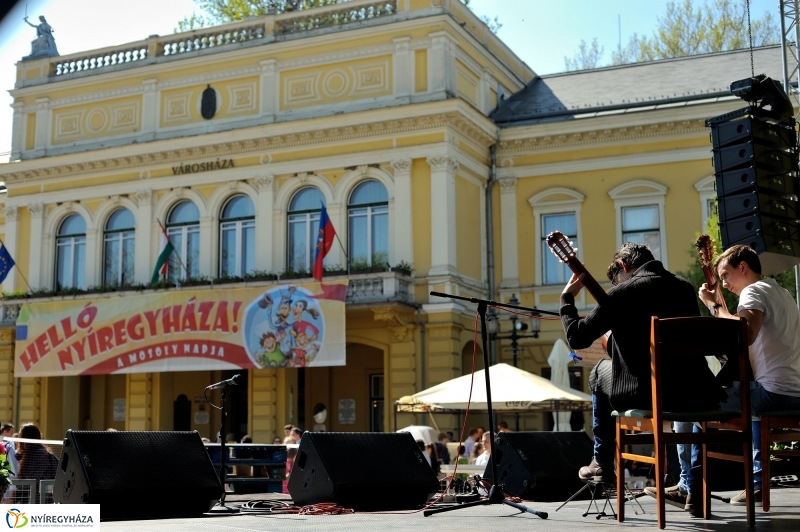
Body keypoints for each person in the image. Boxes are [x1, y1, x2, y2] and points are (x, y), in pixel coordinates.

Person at [560, 242, 720, 514]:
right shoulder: (684, 287)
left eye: (616, 279)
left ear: (623, 266)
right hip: (694, 394)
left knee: (599, 370)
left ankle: (602, 460)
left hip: (647, 393)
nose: (616, 284)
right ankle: (694, 489)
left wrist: (567, 299)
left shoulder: (624, 292)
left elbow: (576, 337)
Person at [696, 244, 800, 506]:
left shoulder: (752, 291)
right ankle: (756, 485)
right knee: (748, 399)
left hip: (770, 395)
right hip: (794, 395)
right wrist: (723, 311)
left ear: (742, 267)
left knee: (691, 403)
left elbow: (745, 334)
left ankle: (690, 487)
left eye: (726, 275)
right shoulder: (783, 293)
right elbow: (747, 327)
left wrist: (713, 307)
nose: (725, 283)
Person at [13, 423, 58, 504]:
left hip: (39, 501)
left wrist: (15, 486)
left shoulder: (39, 454)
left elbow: (31, 480)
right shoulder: (28, 454)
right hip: (30, 499)